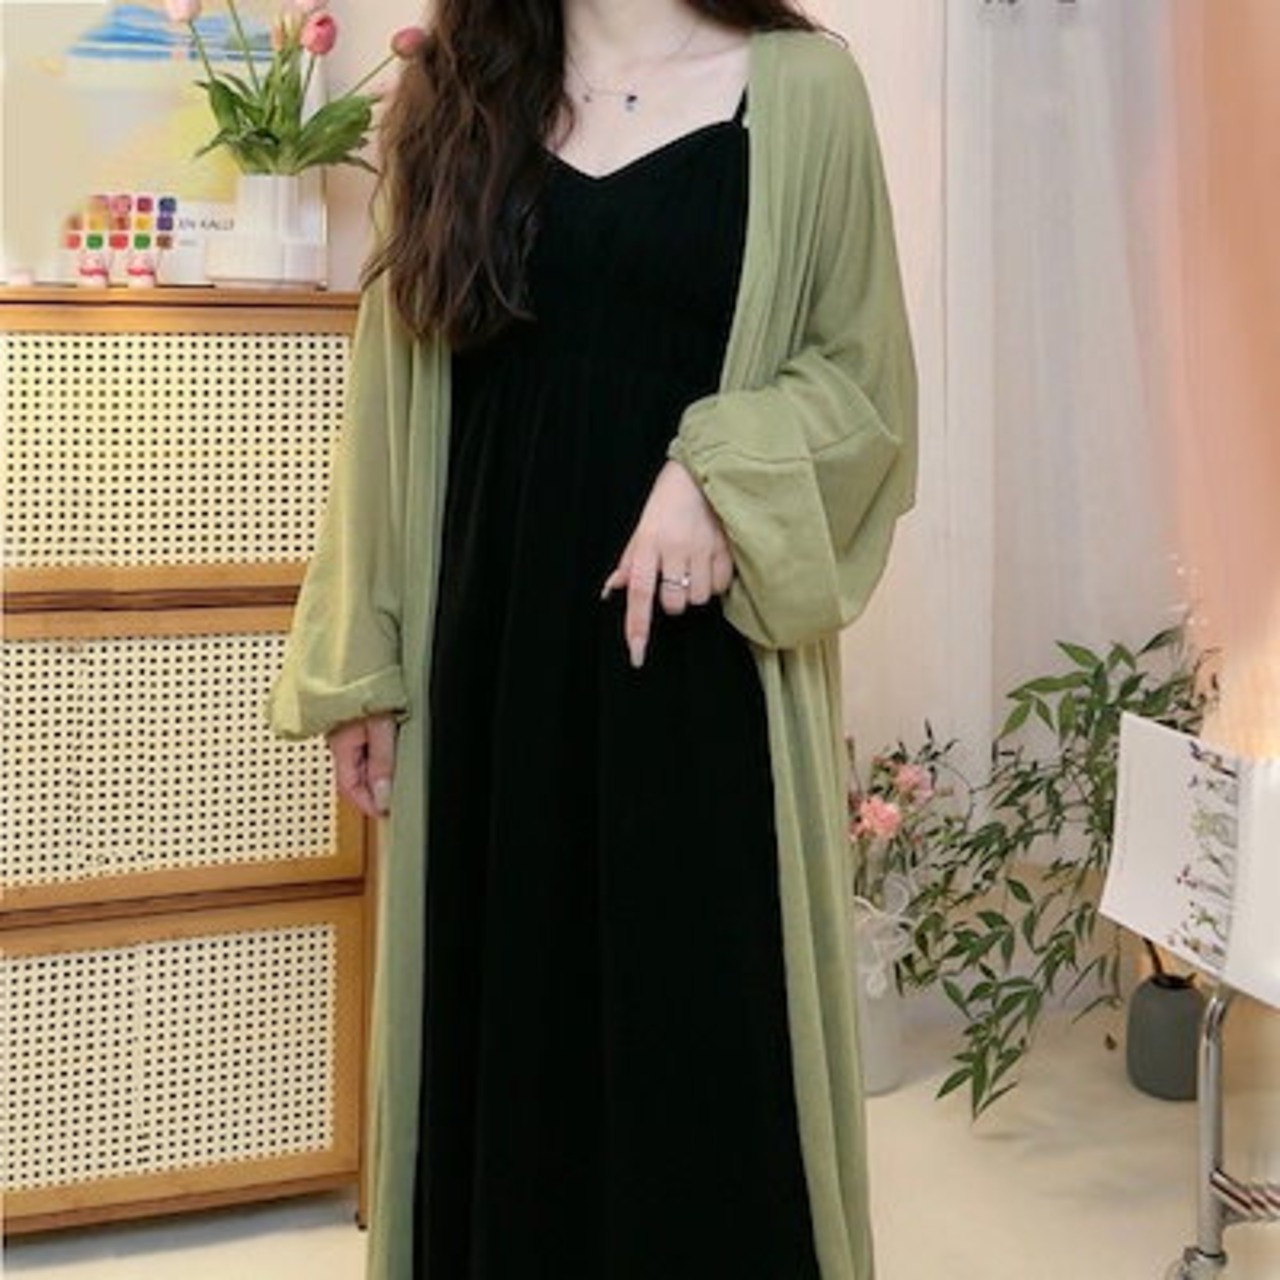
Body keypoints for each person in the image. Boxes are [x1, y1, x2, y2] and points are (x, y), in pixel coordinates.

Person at [268, 1, 916, 1277]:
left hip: (698, 651)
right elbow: (389, 398)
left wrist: (714, 471)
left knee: (702, 1025)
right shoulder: (451, 92)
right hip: (486, 649)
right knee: (504, 1020)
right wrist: (363, 662)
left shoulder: (802, 94)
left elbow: (862, 381)